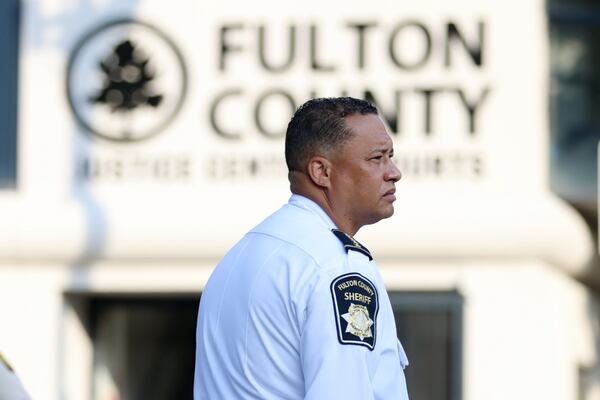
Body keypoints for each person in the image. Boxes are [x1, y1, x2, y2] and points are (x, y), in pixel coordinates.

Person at [194, 97, 409, 399]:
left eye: (391, 156)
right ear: (321, 171)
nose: (394, 172)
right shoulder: (338, 266)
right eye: (377, 158)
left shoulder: (240, 256)